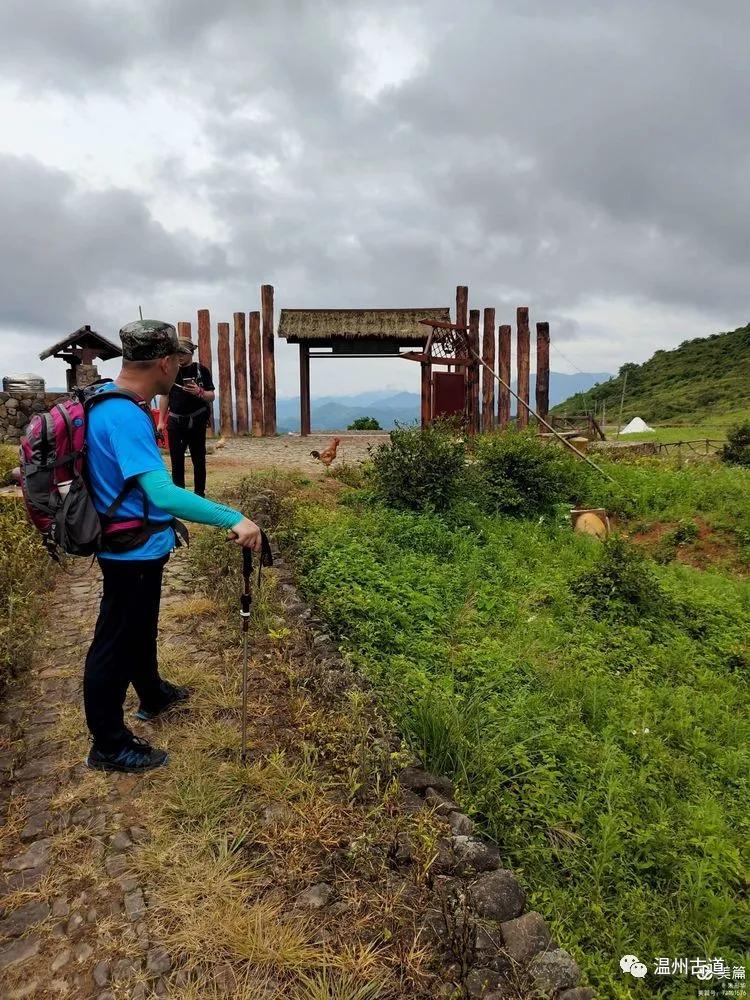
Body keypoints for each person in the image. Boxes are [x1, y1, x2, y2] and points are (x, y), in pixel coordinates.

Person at [83, 319, 261, 774]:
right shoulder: (124, 414)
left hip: (139, 542)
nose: (180, 372)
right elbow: (162, 493)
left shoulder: (111, 400)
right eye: (178, 363)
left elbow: (144, 491)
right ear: (164, 363)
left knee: (140, 625)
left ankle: (152, 694)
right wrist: (232, 517)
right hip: (128, 550)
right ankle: (108, 743)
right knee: (114, 641)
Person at [158, 338, 214, 497]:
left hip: (197, 422)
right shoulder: (169, 371)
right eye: (177, 352)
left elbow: (211, 396)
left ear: (191, 353)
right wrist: (161, 421)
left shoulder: (201, 370)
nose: (180, 356)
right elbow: (164, 397)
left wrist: (199, 392)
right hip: (175, 422)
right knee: (176, 461)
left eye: (183, 352)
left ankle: (199, 494)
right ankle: (179, 495)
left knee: (198, 459)